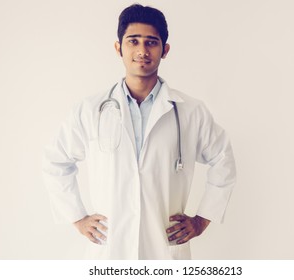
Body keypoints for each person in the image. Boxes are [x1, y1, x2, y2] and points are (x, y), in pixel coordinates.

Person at [43, 4, 236, 260]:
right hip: (109, 249)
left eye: (152, 42)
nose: (142, 51)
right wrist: (77, 216)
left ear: (164, 50)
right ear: (118, 48)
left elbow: (223, 160)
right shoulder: (90, 110)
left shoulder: (191, 112)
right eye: (133, 41)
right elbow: (56, 161)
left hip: (165, 249)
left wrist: (201, 221)